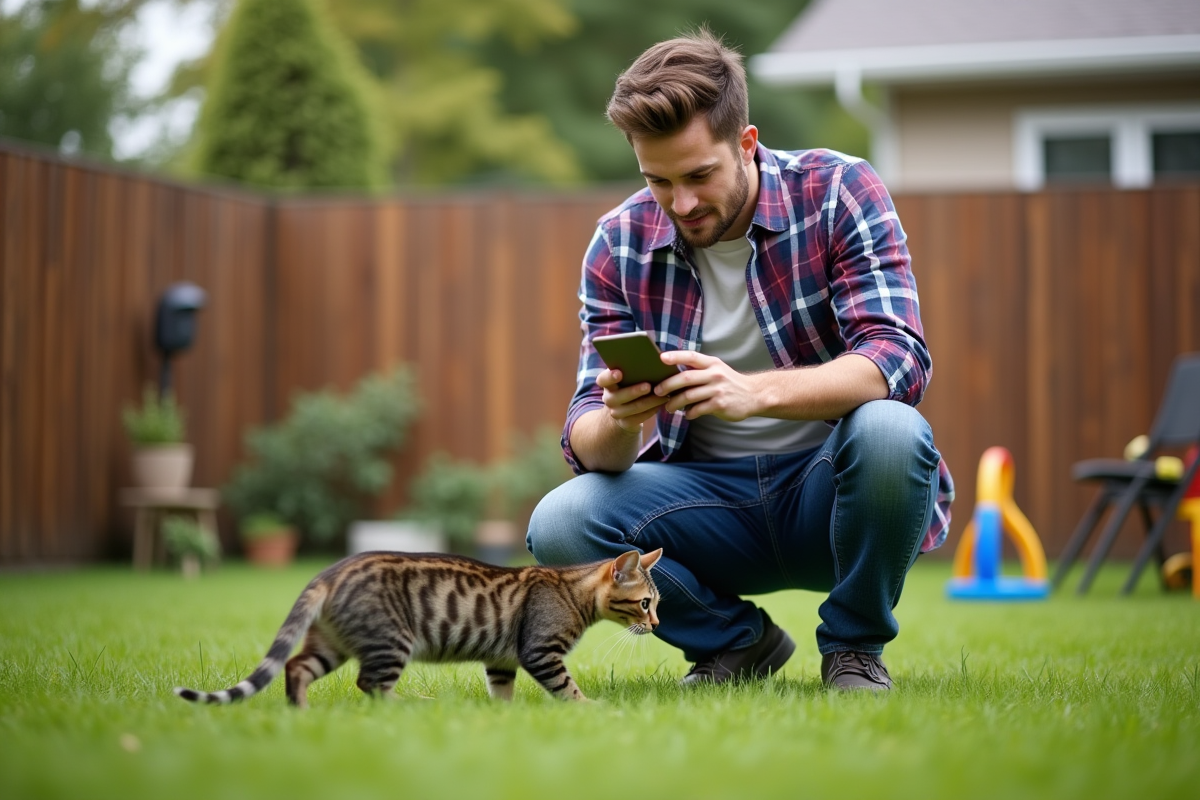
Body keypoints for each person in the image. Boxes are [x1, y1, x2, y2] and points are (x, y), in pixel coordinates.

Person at [526, 30, 954, 691]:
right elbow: (589, 439)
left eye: (699, 175)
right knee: (559, 524)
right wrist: (619, 418)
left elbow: (896, 357)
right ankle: (736, 644)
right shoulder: (618, 242)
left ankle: (854, 649)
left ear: (747, 144)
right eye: (658, 180)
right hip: (703, 508)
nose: (683, 203)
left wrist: (754, 394)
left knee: (893, 433)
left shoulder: (838, 191)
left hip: (830, 492)